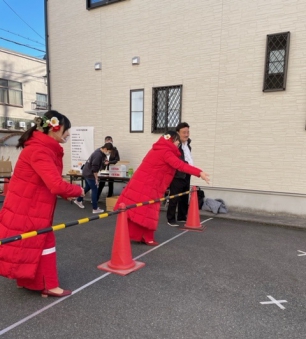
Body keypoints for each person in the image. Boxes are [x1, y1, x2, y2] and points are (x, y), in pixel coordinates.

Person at [0, 110, 85, 298]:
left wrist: (65, 194)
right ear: (54, 129)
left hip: (25, 205)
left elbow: (46, 182)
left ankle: (26, 280)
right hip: (29, 207)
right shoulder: (40, 150)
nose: (68, 134)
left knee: (27, 242)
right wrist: (78, 191)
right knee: (44, 243)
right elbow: (55, 184)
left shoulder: (38, 147)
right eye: (66, 129)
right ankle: (49, 285)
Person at [114, 131, 210, 246]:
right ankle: (147, 238)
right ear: (172, 140)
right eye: (177, 142)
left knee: (138, 211)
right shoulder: (166, 152)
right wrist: (199, 173)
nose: (178, 144)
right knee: (148, 212)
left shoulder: (157, 148)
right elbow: (181, 166)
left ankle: (140, 236)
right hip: (149, 186)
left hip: (140, 183)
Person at [167, 122, 193, 227]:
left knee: (185, 196)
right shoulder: (175, 145)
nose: (186, 134)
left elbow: (188, 158)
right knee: (174, 197)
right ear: (178, 133)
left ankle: (182, 216)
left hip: (187, 173)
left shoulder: (188, 145)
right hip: (177, 174)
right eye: (184, 132)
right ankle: (171, 218)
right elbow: (178, 160)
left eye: (188, 132)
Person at [74, 143, 113, 213]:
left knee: (88, 187)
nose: (108, 153)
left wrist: (104, 162)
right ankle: (95, 208)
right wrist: (96, 178)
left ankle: (78, 200)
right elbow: (94, 168)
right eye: (109, 152)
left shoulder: (99, 151)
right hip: (90, 174)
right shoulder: (98, 154)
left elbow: (101, 160)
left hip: (86, 172)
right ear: (105, 149)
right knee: (95, 190)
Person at [97, 136, 120, 201]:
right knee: (101, 183)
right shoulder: (102, 149)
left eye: (110, 140)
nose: (109, 142)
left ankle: (109, 199)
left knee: (111, 183)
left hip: (111, 169)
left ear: (112, 141)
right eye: (107, 140)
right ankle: (96, 198)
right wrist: (103, 163)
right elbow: (99, 159)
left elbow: (117, 159)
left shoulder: (115, 150)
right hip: (103, 169)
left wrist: (109, 162)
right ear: (105, 141)